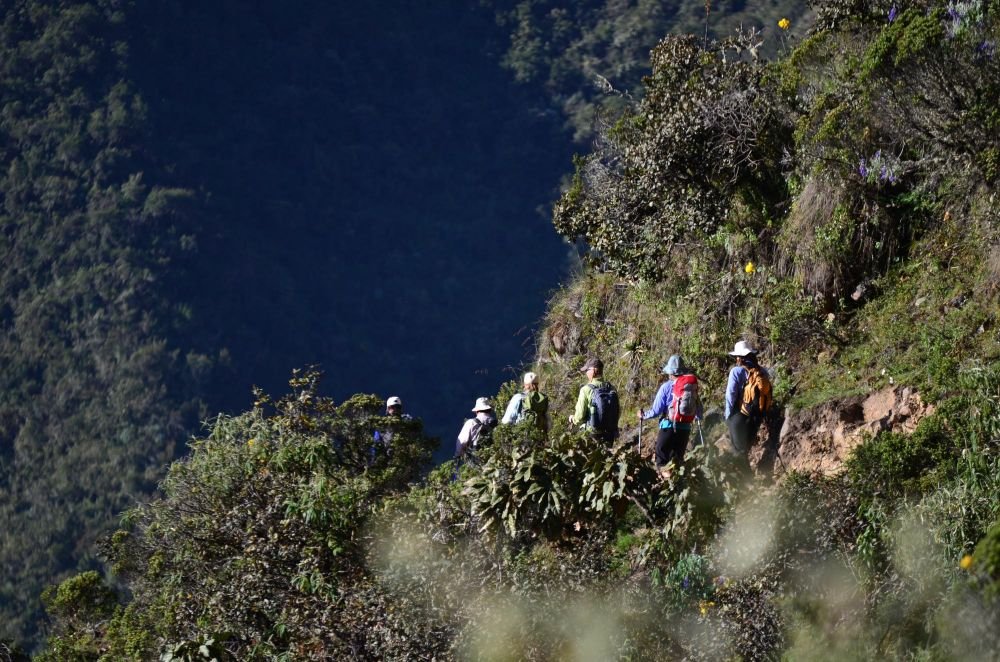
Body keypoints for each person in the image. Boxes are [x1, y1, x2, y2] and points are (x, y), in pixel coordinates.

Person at [637, 355, 701, 475]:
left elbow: (656, 411)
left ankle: (665, 488)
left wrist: (643, 415)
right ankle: (677, 489)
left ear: (670, 372)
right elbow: (698, 410)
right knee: (677, 463)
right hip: (685, 429)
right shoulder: (691, 387)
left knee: (662, 462)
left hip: (668, 427)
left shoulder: (666, 387)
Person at [724, 341, 773, 461]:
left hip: (739, 415)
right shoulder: (762, 371)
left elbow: (730, 394)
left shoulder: (736, 371)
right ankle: (748, 477)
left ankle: (746, 479)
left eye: (736, 356)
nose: (736, 359)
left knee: (739, 453)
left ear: (740, 357)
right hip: (756, 417)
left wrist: (728, 415)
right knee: (745, 449)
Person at [570, 357, 620, 443]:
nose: (586, 373)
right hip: (609, 434)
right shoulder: (612, 388)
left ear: (593, 371)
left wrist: (572, 419)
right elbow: (618, 411)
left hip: (592, 434)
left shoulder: (586, 390)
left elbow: (580, 416)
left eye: (587, 370)